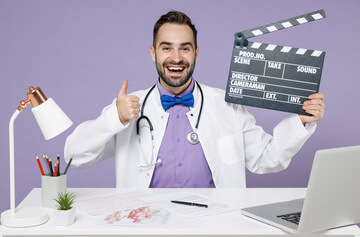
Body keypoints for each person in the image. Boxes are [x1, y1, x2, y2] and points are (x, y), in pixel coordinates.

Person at [64, 11, 325, 188]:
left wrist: (300, 122)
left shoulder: (227, 105)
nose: (176, 58)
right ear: (153, 53)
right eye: (166, 48)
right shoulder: (128, 106)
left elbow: (266, 159)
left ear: (196, 53)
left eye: (184, 48)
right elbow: (74, 155)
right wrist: (115, 119)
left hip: (216, 225)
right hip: (146, 225)